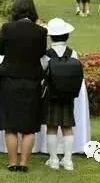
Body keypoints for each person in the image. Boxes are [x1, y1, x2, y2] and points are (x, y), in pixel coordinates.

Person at [0, 0, 47, 173]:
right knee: (28, 127)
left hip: (10, 81)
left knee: (10, 126)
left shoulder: (7, 28)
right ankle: (24, 163)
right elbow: (41, 53)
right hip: (32, 81)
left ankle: (12, 162)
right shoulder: (40, 31)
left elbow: (0, 51)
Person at [41, 18, 81, 172]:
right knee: (67, 126)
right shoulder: (73, 53)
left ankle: (53, 159)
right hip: (68, 95)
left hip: (51, 95)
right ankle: (68, 160)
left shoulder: (47, 55)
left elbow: (42, 71)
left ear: (51, 36)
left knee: (51, 127)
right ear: (67, 35)